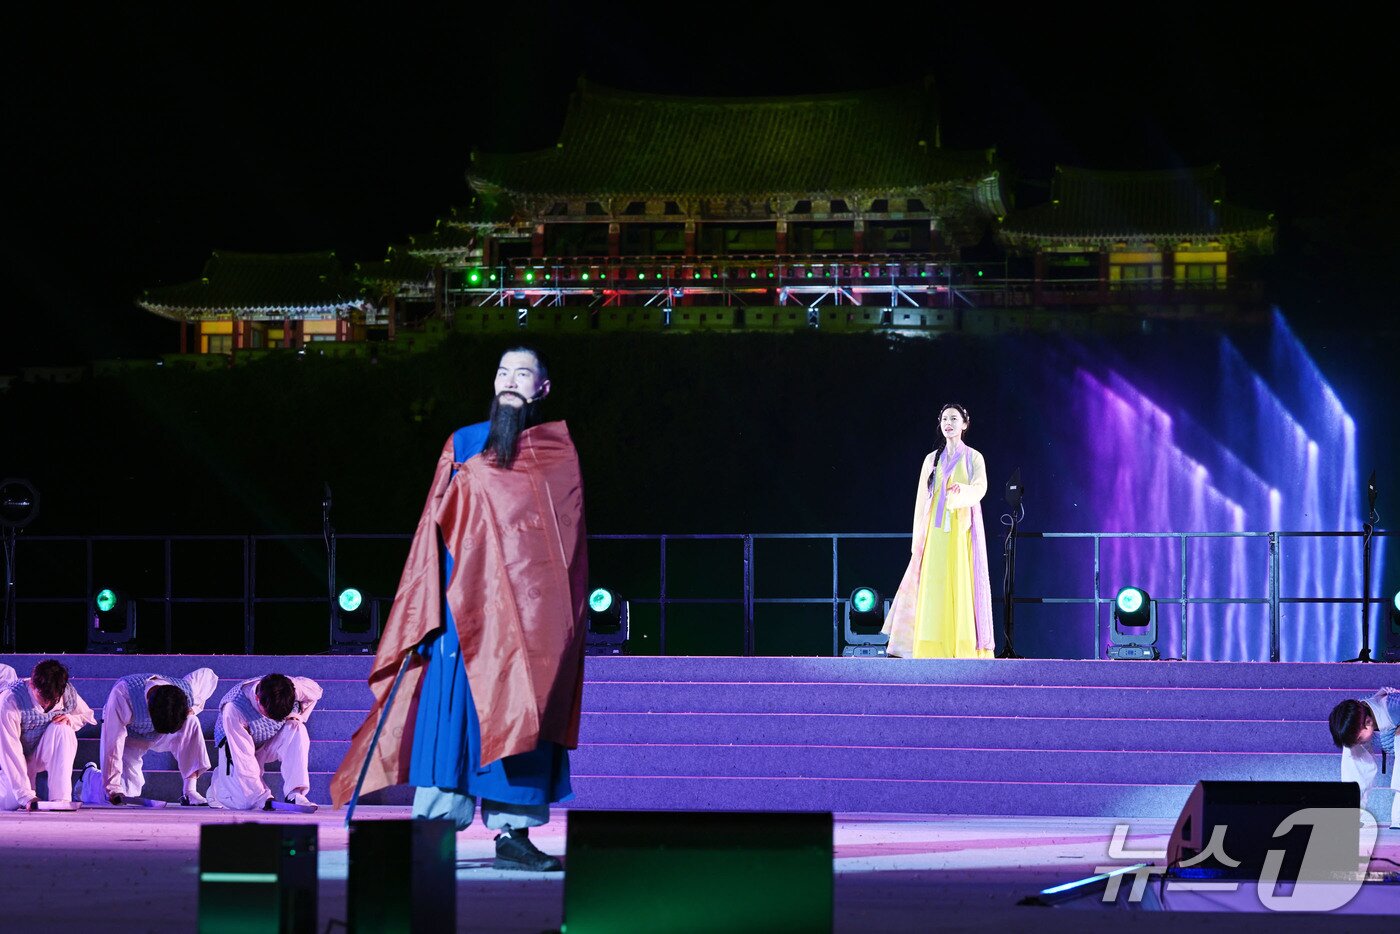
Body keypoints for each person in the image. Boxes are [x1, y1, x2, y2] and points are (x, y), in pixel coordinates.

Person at [331, 347, 588, 873]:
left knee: (522, 714)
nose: (509, 381)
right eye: (502, 372)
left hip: (528, 622)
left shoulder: (556, 453)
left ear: (542, 388)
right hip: (459, 611)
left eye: (522, 373)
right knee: (452, 720)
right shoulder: (465, 443)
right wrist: (424, 607)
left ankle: (513, 836)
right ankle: (433, 835)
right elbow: (432, 527)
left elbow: (564, 546)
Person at [882, 402, 995, 658]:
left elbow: (981, 487)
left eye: (954, 419)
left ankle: (961, 646)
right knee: (933, 585)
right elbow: (921, 500)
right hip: (934, 531)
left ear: (965, 424)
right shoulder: (931, 459)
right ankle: (931, 646)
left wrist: (962, 491)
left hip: (960, 530)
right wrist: (917, 541)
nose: (948, 423)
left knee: (960, 583)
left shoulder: (973, 457)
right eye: (945, 419)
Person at [99, 668, 217, 805]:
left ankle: (189, 791)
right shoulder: (122, 695)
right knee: (127, 792)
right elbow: (113, 742)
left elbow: (208, 675)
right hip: (130, 737)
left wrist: (192, 710)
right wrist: (112, 787)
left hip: (160, 736)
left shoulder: (185, 691)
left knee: (191, 721)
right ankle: (89, 776)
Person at [209, 673, 323, 810]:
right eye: (269, 715)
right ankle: (218, 785)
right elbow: (244, 759)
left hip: (268, 739)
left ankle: (295, 793)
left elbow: (316, 692)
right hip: (234, 747)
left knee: (296, 727)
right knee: (245, 803)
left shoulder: (292, 687)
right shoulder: (234, 709)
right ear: (258, 699)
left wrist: (297, 716)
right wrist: (262, 796)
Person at [0, 660, 95, 810]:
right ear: (32, 685)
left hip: (42, 751)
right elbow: (9, 750)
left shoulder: (64, 692)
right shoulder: (10, 700)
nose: (47, 704)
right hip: (15, 759)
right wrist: (26, 796)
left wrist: (71, 719)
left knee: (63, 729)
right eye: (43, 697)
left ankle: (61, 799)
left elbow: (87, 715)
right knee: (9, 802)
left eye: (53, 699)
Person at [1329, 688, 1399, 828]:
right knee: (1351, 748)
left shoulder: (1394, 706)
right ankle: (1350, 814)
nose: (1359, 742)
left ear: (1368, 722)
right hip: (1383, 731)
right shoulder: (1357, 713)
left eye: (1359, 738)